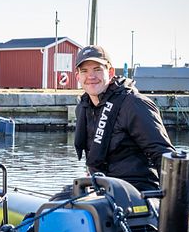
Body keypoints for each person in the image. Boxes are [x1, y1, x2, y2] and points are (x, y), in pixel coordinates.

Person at [73, 45, 175, 192]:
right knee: (52, 207)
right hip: (102, 188)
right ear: (78, 76)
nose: (91, 76)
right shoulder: (84, 107)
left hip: (136, 191)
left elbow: (164, 155)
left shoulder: (133, 104)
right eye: (84, 71)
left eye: (97, 69)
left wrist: (168, 203)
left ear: (111, 72)